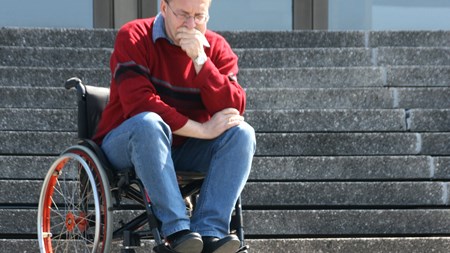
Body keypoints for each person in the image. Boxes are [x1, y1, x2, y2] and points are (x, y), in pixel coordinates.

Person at [92, 0, 256, 252]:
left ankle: (209, 231)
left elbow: (233, 107)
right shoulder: (134, 35)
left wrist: (201, 60)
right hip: (126, 142)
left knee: (242, 133)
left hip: (184, 149)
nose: (191, 25)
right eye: (183, 15)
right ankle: (178, 229)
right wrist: (201, 130)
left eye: (199, 16)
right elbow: (139, 103)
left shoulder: (216, 47)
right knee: (149, 123)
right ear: (164, 9)